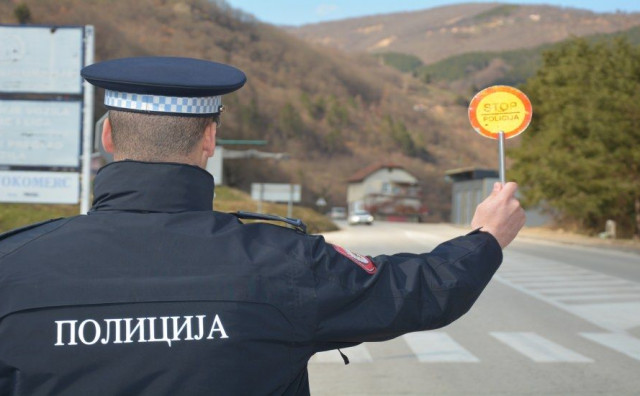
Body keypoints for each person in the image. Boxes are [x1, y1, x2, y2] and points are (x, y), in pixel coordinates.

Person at [0, 56, 525, 395]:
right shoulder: (284, 262)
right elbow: (419, 291)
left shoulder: (12, 265)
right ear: (209, 141)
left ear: (108, 137)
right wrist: (485, 238)